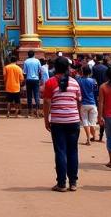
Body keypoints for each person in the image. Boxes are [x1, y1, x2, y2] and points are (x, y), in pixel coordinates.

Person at [43, 56, 82, 192]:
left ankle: (61, 183)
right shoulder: (75, 83)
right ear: (68, 68)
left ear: (55, 68)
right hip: (73, 120)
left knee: (60, 151)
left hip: (58, 121)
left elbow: (47, 102)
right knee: (73, 151)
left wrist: (46, 120)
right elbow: (78, 101)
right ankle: (73, 182)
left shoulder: (50, 82)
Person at [77, 65, 98, 145]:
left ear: (82, 72)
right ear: (90, 72)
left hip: (83, 103)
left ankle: (88, 139)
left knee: (85, 122)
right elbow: (96, 91)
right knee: (93, 122)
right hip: (92, 103)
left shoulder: (79, 81)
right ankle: (94, 136)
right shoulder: (93, 81)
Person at [23, 50, 43, 118]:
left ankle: (29, 112)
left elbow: (25, 72)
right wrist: (40, 79)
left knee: (29, 96)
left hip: (28, 79)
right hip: (36, 79)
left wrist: (25, 80)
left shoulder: (26, 61)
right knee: (36, 95)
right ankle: (37, 111)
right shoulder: (37, 61)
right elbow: (40, 71)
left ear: (28, 55)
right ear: (34, 55)